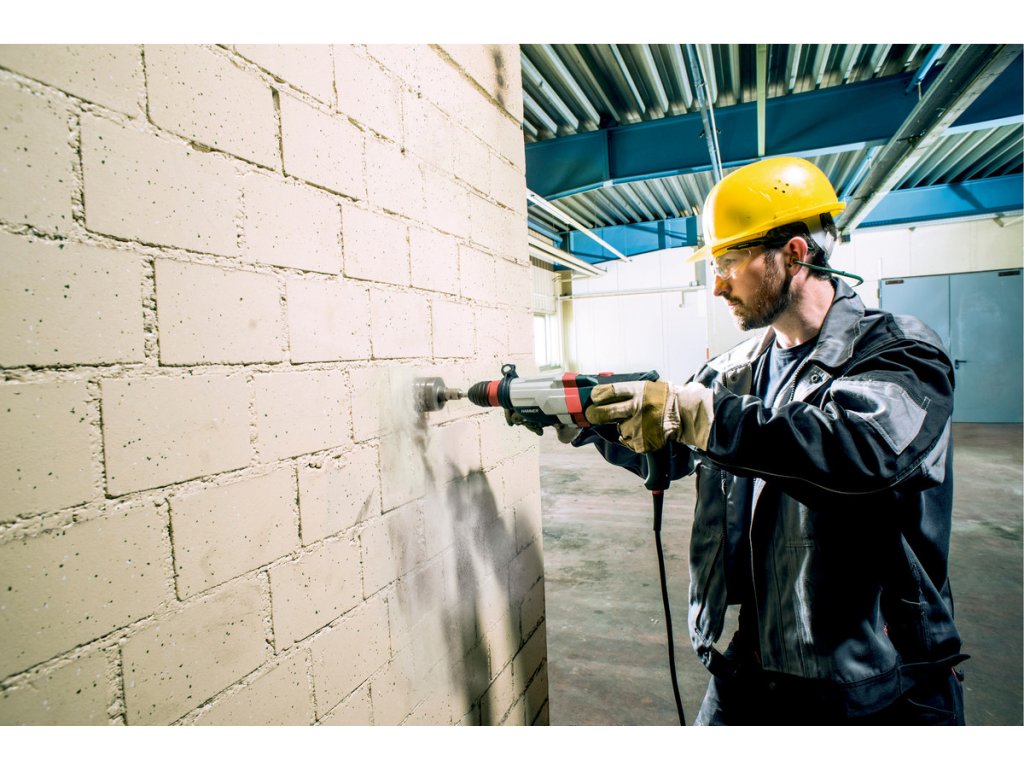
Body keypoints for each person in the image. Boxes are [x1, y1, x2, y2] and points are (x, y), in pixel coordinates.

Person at [573, 156, 967, 725]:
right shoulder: (735, 371)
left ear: (795, 254)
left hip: (875, 677)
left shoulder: (900, 352)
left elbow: (861, 454)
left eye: (728, 262)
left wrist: (701, 415)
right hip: (756, 655)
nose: (717, 285)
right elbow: (675, 449)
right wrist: (588, 420)